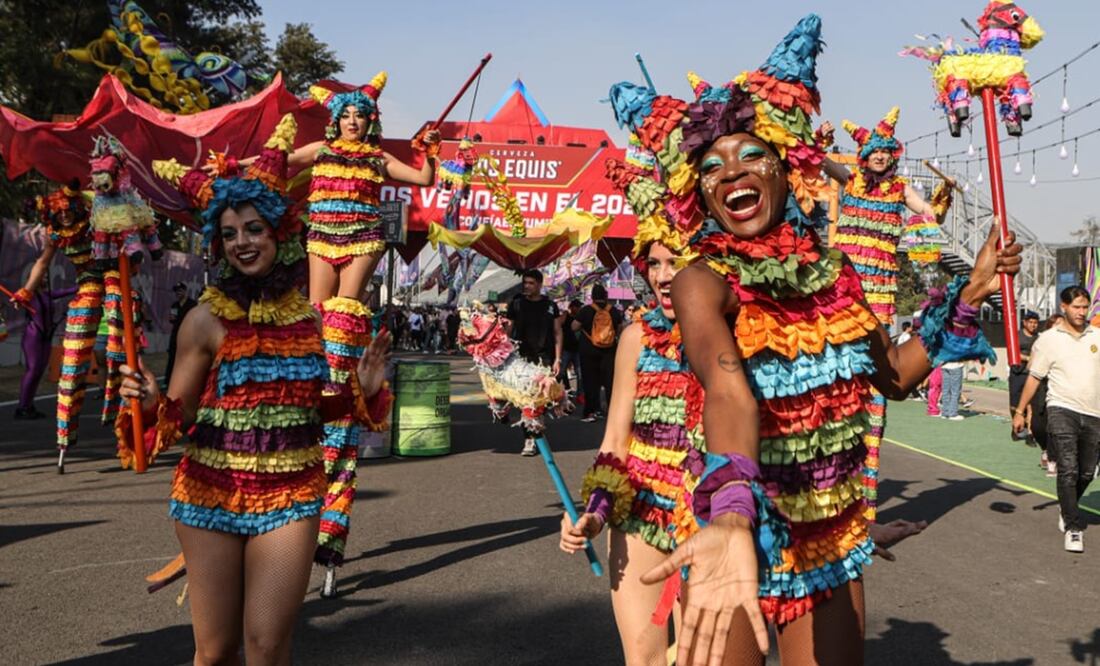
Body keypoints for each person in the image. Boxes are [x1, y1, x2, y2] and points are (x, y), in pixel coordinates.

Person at [602, 14, 1020, 664]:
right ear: (699, 192)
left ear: (783, 167)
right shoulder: (700, 279)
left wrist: (969, 294)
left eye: (750, 156)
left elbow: (895, 375)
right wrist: (732, 512)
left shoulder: (837, 275)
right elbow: (727, 390)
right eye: (711, 166)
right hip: (735, 534)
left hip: (828, 541)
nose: (731, 173)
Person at [135, 115, 392, 661]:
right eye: (229, 234)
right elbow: (179, 416)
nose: (242, 243)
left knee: (266, 646)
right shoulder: (203, 321)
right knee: (215, 652)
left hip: (291, 493)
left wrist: (362, 393)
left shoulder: (312, 322)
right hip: (210, 492)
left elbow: (314, 414)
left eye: (253, 229)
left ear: (279, 233)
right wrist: (152, 403)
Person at [9, 179, 105, 470]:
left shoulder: (95, 222)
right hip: (88, 290)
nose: (64, 215)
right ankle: (65, 435)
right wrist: (26, 291)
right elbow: (42, 263)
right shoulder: (56, 233)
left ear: (77, 207)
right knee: (70, 366)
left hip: (115, 283)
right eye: (58, 211)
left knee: (121, 354)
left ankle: (126, 414)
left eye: (67, 210)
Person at [1013, 286, 1100, 553]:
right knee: (1068, 468)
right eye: (1076, 307)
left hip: (1094, 412)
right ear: (1064, 307)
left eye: (1085, 307)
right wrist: (1020, 411)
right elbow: (1034, 377)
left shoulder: (1097, 335)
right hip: (1062, 408)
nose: (1081, 312)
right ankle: (1073, 527)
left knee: (1087, 472)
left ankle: (1067, 507)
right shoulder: (1049, 339)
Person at [505, 268, 563, 455]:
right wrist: (502, 351)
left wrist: (558, 359)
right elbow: (508, 329)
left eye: (531, 283)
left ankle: (535, 431)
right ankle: (529, 439)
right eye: (525, 283)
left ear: (539, 284)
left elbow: (557, 332)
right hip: (521, 357)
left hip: (544, 358)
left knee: (538, 398)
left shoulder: (550, 306)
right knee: (526, 398)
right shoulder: (517, 304)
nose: (527, 286)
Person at [574, 284, 623, 422]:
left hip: (588, 351)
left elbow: (574, 327)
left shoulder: (586, 310)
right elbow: (620, 328)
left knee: (590, 382)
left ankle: (591, 411)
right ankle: (613, 410)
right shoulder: (613, 310)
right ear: (606, 296)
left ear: (592, 297)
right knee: (610, 382)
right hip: (609, 351)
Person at [1009, 310, 1041, 441]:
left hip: (1032, 374)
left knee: (1031, 405)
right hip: (1017, 373)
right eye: (1031, 322)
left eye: (1035, 323)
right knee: (1015, 403)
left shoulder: (1039, 338)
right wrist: (1028, 358)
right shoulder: (1016, 336)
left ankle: (1030, 432)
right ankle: (1016, 428)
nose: (1033, 325)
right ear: (1024, 323)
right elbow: (1013, 352)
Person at [164, 281, 197, 388]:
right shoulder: (175, 305)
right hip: (176, 334)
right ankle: (168, 381)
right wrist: (172, 318)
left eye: (180, 291)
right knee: (172, 357)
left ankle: (190, 381)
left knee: (189, 357)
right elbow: (172, 319)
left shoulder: (192, 304)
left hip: (189, 334)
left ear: (185, 291)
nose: (178, 293)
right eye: (176, 291)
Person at [559, 299, 583, 399]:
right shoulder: (566, 316)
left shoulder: (580, 318)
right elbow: (560, 323)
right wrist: (565, 313)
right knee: (561, 372)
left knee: (580, 373)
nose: (579, 309)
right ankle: (564, 391)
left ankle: (580, 394)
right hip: (566, 348)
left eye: (579, 307)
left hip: (577, 349)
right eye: (577, 307)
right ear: (572, 307)